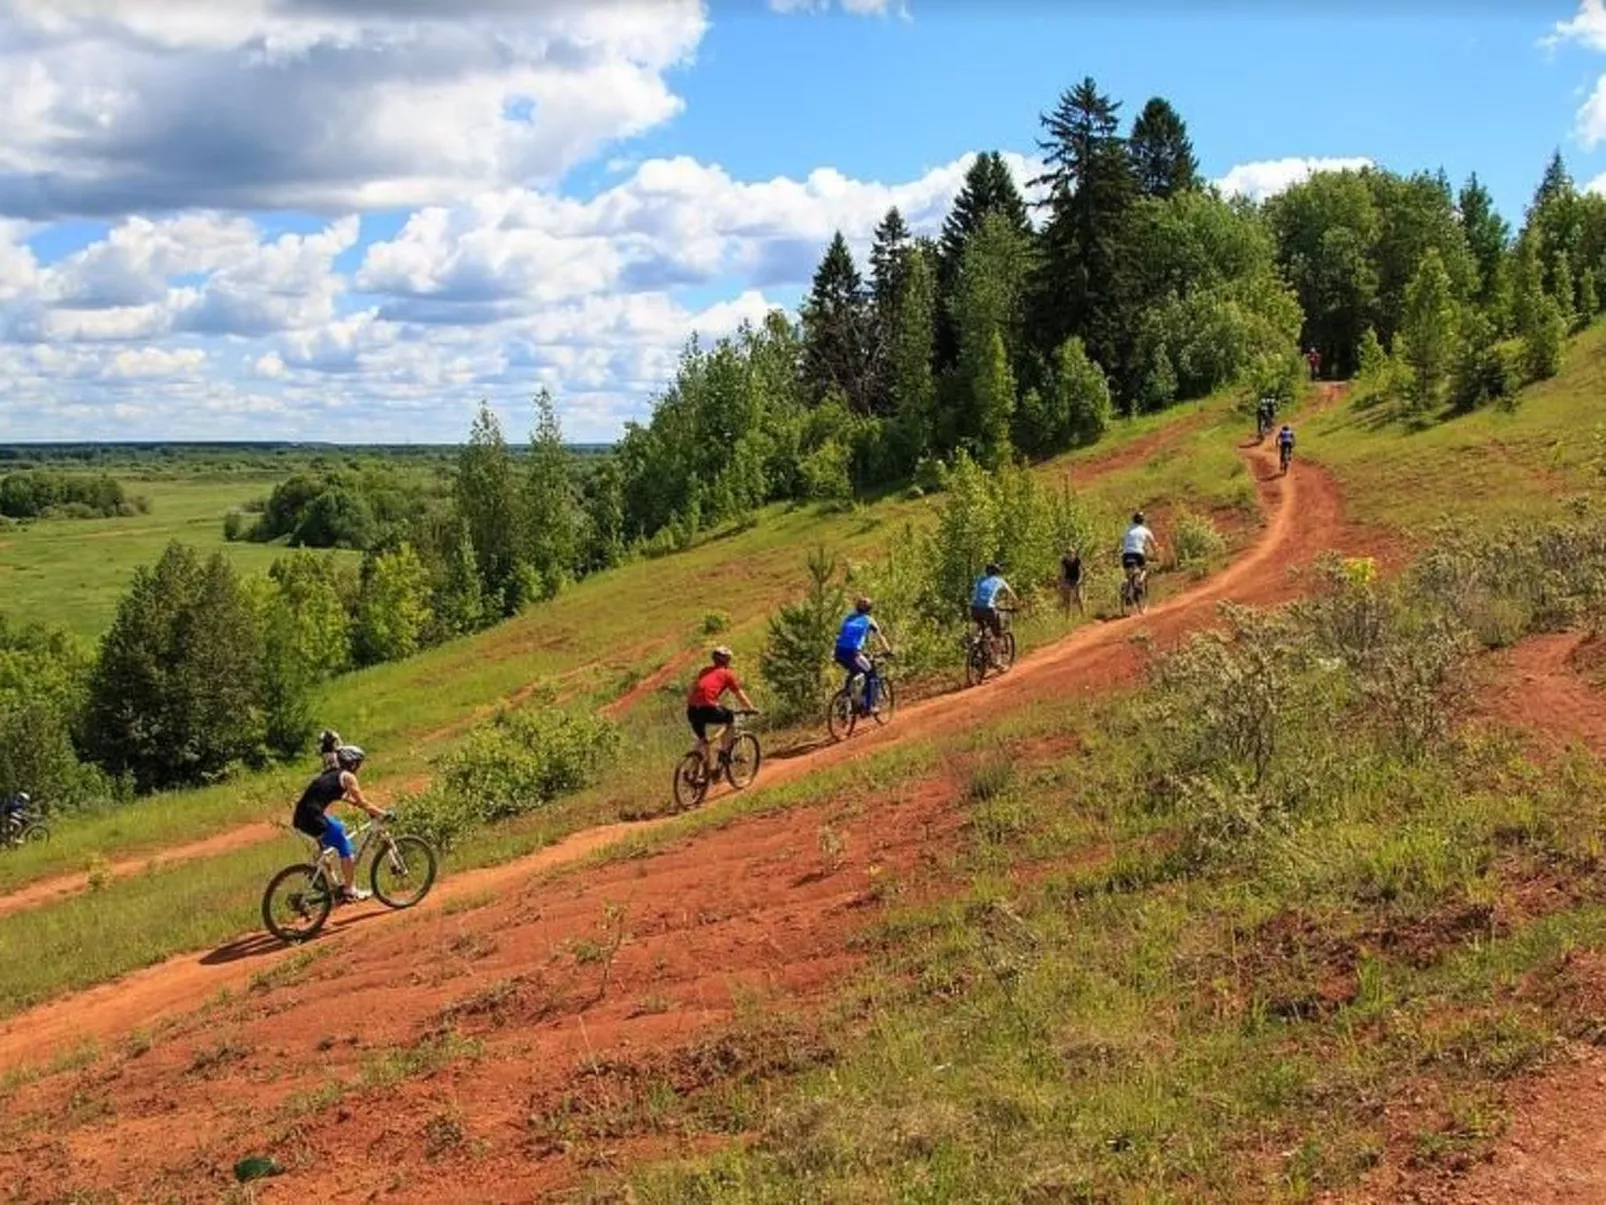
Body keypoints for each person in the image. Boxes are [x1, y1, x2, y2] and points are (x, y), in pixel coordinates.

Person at [291, 745, 386, 903]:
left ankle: (326, 878)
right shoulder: (348, 777)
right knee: (345, 846)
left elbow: (342, 797)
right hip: (312, 817)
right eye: (359, 763)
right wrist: (383, 813)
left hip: (302, 816)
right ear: (353, 763)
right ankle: (350, 890)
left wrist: (362, 806)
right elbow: (363, 802)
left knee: (338, 828)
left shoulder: (331, 774)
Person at [685, 646, 756, 773]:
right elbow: (740, 695)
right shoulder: (727, 674)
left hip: (692, 709)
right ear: (727, 660)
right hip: (708, 707)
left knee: (702, 740)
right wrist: (751, 708)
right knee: (730, 719)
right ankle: (724, 754)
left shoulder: (704, 671)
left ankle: (693, 771)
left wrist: (692, 703)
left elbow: (691, 690)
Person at [834, 597, 893, 715]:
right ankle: (870, 705)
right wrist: (888, 650)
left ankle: (845, 698)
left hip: (839, 652)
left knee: (854, 671)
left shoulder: (849, 617)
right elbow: (880, 637)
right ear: (870, 609)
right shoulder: (869, 620)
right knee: (871, 673)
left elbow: (841, 634)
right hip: (853, 653)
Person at [970, 562, 1018, 668]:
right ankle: (998, 661)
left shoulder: (979, 579)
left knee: (982, 630)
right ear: (997, 572)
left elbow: (976, 593)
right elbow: (1012, 595)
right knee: (997, 635)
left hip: (974, 608)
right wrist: (1016, 605)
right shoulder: (999, 581)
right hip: (988, 608)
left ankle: (976, 644)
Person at [1121, 512, 1159, 592]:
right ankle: (1140, 581)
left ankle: (1125, 583)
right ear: (1143, 521)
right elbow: (1153, 544)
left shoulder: (1127, 529)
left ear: (1133, 520)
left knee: (1127, 575)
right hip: (1138, 553)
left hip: (1126, 554)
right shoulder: (1145, 530)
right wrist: (1156, 555)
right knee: (1144, 569)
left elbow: (1123, 542)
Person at [1059, 547, 1084, 617]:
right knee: (1068, 599)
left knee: (1079, 597)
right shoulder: (1064, 561)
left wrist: (1079, 581)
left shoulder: (1077, 560)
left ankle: (1083, 614)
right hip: (1068, 579)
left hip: (1077, 579)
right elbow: (1062, 572)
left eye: (1071, 553)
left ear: (1074, 553)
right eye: (1068, 553)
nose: (1070, 554)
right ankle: (1068, 617)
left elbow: (1081, 571)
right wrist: (1062, 582)